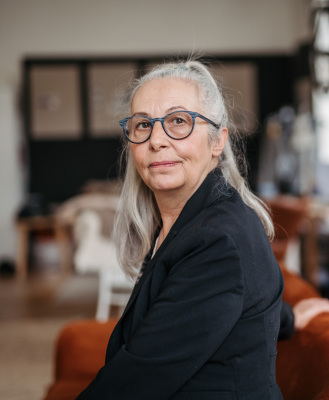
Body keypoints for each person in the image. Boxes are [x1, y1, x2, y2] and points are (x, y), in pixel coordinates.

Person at [77, 60, 284, 400]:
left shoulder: (216, 241)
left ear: (217, 141)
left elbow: (134, 383)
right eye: (143, 124)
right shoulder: (191, 219)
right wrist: (288, 315)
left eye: (178, 122)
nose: (156, 140)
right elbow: (232, 297)